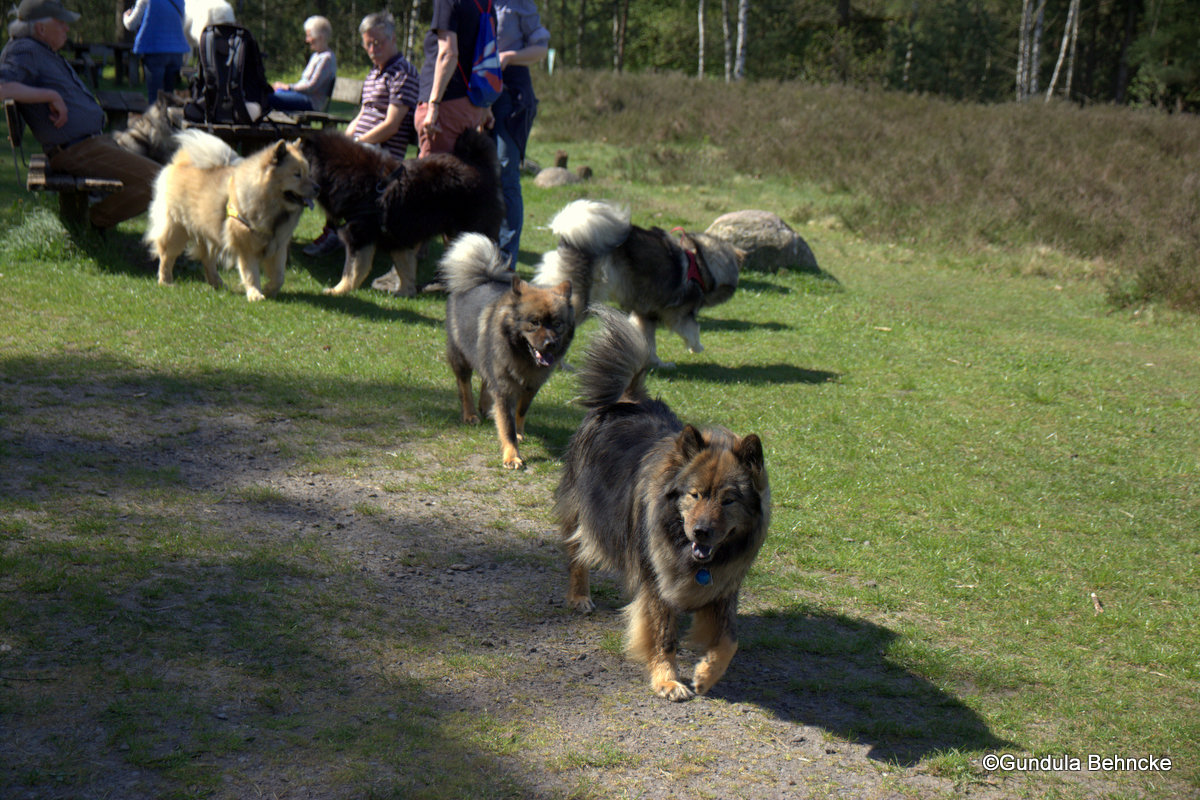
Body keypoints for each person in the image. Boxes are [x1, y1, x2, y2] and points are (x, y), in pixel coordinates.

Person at [0, 0, 159, 229]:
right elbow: (2, 88)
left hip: (88, 144)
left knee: (163, 168)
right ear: (41, 29)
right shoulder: (23, 50)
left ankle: (90, 223)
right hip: (76, 150)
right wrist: (50, 95)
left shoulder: (40, 49)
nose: (67, 28)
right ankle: (89, 224)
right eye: (61, 23)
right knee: (157, 182)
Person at [304, 11, 418, 256]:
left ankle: (336, 231)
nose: (373, 49)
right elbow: (362, 115)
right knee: (312, 159)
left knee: (330, 171)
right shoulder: (374, 72)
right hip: (364, 148)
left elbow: (392, 125)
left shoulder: (402, 73)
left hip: (382, 154)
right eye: (368, 43)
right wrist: (344, 140)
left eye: (378, 43)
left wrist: (354, 145)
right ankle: (333, 228)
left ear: (393, 39)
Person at [489, 1, 548, 269]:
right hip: (476, 88)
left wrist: (510, 56)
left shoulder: (519, 4)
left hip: (510, 91)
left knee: (505, 170)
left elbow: (540, 50)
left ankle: (505, 259)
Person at [414, 0, 497, 158]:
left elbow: (448, 54)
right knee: (460, 173)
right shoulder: (486, 4)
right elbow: (487, 55)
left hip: (446, 105)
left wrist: (433, 105)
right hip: (472, 105)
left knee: (433, 173)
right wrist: (486, 107)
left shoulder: (447, 2)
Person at [122, 0, 190, 105]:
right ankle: (168, 119)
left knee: (155, 98)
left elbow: (131, 24)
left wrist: (126, 16)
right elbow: (182, 23)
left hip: (155, 50)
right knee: (169, 97)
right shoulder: (180, 1)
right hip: (176, 52)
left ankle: (156, 121)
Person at [270, 16, 336, 113]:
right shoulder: (316, 56)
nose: (307, 40)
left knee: (269, 97)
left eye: (309, 36)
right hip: (302, 96)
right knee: (271, 92)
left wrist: (288, 87)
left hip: (311, 102)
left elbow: (311, 87)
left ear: (320, 37)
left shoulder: (327, 58)